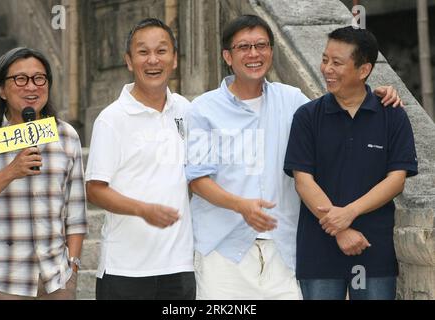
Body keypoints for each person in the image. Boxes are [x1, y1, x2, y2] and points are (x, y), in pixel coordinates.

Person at [185, 15, 403, 300]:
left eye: (261, 45)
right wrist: (241, 206)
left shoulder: (294, 102)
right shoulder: (203, 109)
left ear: (271, 52)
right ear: (227, 55)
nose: (254, 54)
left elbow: (339, 108)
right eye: (244, 47)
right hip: (223, 252)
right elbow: (197, 180)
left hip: (283, 251)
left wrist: (376, 94)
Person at [284, 26, 418, 300]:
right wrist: (341, 228)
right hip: (318, 252)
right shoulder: (307, 117)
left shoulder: (392, 116)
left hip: (373, 250)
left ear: (364, 70)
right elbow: (303, 181)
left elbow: (396, 180)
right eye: (324, 60)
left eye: (337, 63)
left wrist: (349, 213)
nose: (326, 69)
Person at [86, 18, 195, 300]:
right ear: (129, 61)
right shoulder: (111, 119)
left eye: (161, 51)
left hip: (179, 267)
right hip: (125, 271)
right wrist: (142, 209)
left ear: (174, 59)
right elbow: (95, 190)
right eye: (143, 52)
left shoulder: (187, 110)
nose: (153, 60)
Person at [0, 47, 87, 300]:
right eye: (20, 79)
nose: (31, 87)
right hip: (1, 280)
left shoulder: (66, 136)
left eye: (39, 78)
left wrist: (72, 267)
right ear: (1, 90)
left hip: (56, 280)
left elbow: (76, 212)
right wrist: (10, 171)